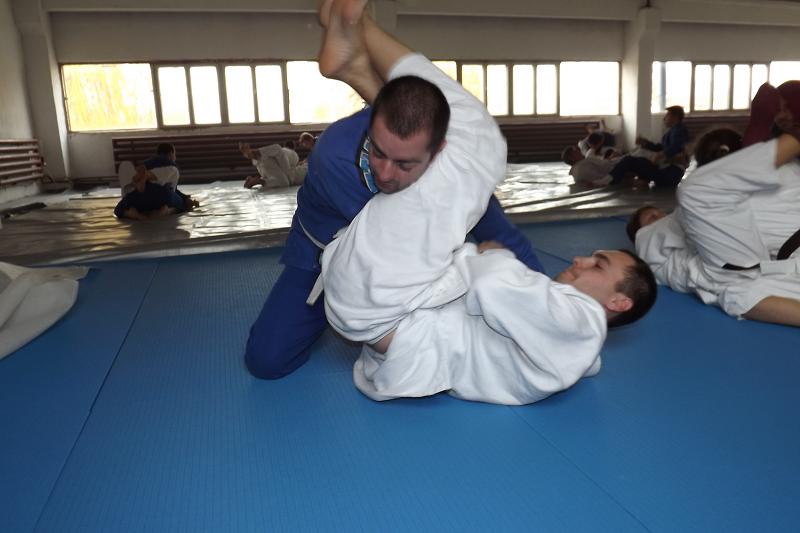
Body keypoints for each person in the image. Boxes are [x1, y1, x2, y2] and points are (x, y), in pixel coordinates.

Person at [244, 0, 544, 379]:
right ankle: (356, 67)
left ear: (438, 152)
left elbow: (504, 237)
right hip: (324, 251)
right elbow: (378, 262)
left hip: (409, 252)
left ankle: (356, 67)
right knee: (267, 360)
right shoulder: (335, 157)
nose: (386, 173)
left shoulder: (454, 170)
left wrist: (548, 304)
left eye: (404, 164)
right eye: (379, 153)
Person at [354, 242, 657, 405]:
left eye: (598, 265)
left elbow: (493, 285)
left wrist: (494, 253)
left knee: (357, 268)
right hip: (423, 347)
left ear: (619, 302)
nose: (579, 259)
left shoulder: (582, 317)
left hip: (418, 337)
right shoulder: (580, 340)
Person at [629, 115, 800, 327]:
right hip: (753, 265)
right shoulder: (651, 236)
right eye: (651, 218)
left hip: (741, 262)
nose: (659, 216)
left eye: (658, 213)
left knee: (734, 289)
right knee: (736, 293)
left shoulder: (698, 205)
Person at [240, 133, 316, 189]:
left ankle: (256, 179)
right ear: (293, 148)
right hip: (276, 166)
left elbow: (297, 165)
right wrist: (303, 162)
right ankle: (254, 154)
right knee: (277, 149)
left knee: (277, 149)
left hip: (262, 163)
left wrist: (303, 162)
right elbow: (296, 164)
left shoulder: (287, 153)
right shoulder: (293, 153)